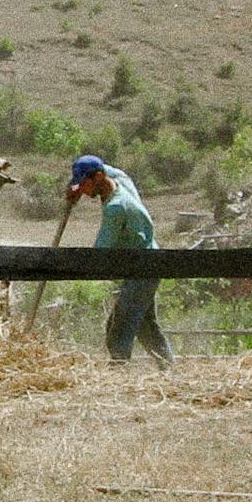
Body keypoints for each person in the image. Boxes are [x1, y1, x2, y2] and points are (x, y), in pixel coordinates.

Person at [67, 153, 174, 365]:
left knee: (119, 329)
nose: (83, 189)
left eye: (84, 183)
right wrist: (78, 187)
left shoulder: (116, 209)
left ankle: (119, 372)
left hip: (142, 268)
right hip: (150, 260)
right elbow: (111, 169)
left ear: (98, 177)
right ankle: (168, 367)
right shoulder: (120, 180)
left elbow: (100, 253)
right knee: (145, 325)